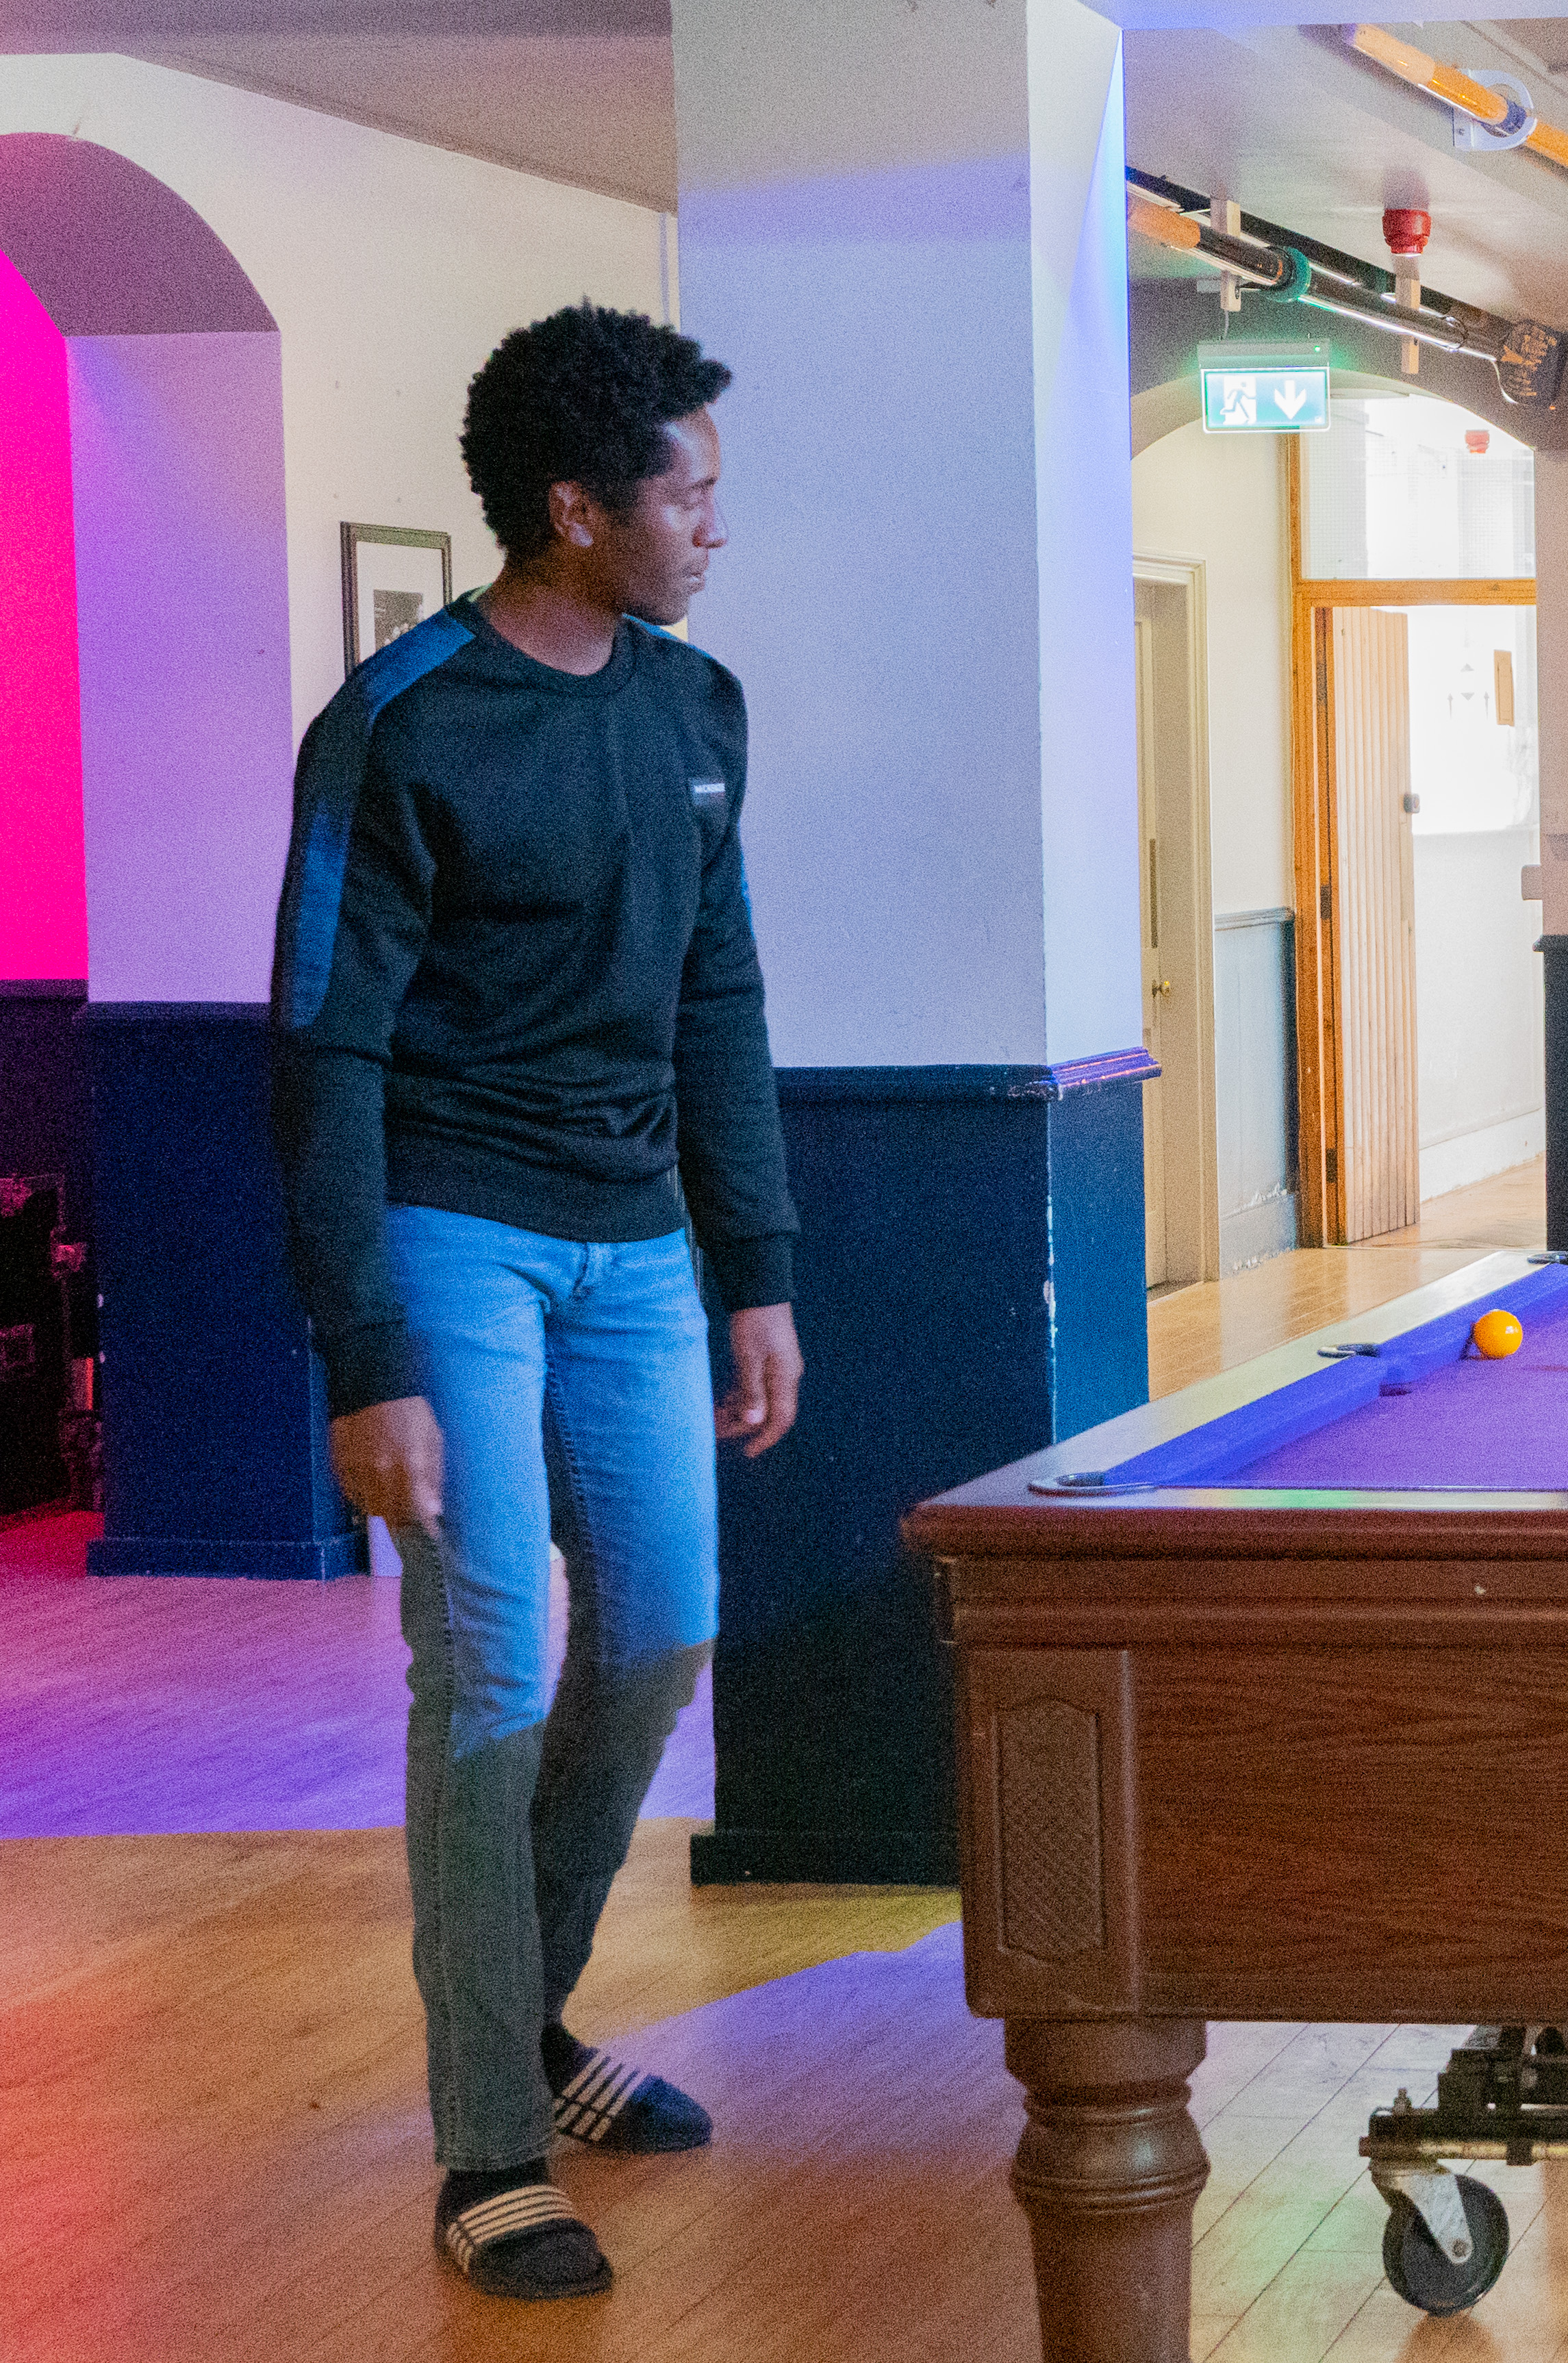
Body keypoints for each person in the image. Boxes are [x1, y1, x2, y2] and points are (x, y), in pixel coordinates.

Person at [268, 303, 802, 2302]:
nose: (711, 528)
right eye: (690, 492)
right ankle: (487, 2135)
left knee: (661, 1631)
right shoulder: (401, 723)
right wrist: (366, 1352)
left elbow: (720, 994)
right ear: (578, 510)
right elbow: (322, 1044)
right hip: (448, 1229)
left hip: (638, 1239)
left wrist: (757, 1267)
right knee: (487, 1667)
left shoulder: (699, 711)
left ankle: (535, 2013)